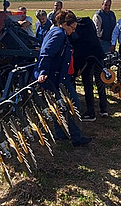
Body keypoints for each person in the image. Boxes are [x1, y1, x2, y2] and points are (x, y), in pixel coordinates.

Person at [34, 10, 91, 147]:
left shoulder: (56, 32)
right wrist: (43, 71)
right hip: (58, 78)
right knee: (73, 105)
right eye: (72, 28)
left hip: (59, 76)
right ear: (65, 24)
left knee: (59, 105)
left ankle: (60, 133)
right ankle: (76, 138)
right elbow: (46, 52)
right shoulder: (59, 34)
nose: (73, 31)